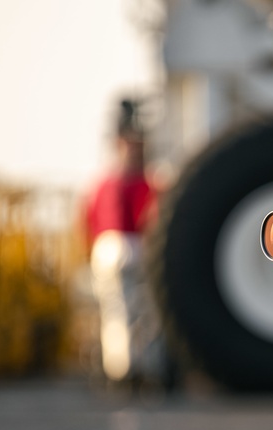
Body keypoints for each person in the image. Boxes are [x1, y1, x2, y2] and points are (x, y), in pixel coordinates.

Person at [83, 99, 163, 388]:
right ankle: (143, 369)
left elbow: (87, 218)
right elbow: (152, 218)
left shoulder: (102, 183)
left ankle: (121, 370)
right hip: (132, 245)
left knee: (118, 313)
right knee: (145, 313)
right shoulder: (147, 183)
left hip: (107, 247)